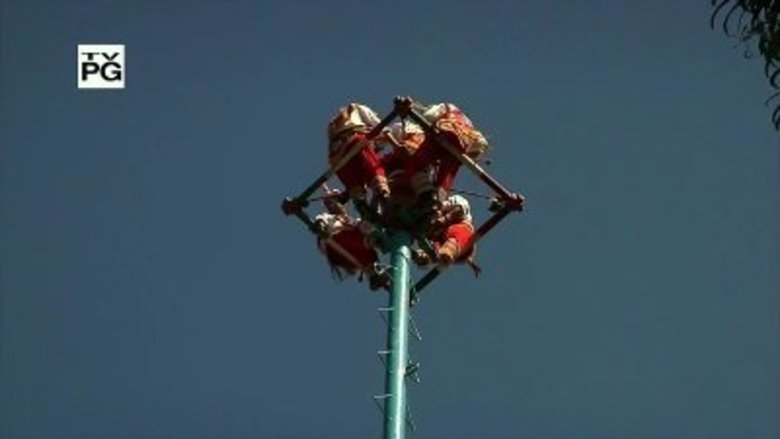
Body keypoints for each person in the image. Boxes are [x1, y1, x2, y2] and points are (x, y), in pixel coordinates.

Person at [403, 103, 489, 212]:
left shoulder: (447, 107)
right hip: (460, 147)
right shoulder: (468, 124)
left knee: (416, 163)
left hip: (445, 136)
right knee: (446, 176)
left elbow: (429, 115)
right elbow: (480, 145)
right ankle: (438, 201)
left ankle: (427, 194)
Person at [312, 189, 389, 289]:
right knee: (363, 226)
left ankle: (373, 274)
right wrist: (320, 226)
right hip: (337, 241)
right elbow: (321, 220)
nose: (337, 205)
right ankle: (375, 240)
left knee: (369, 254)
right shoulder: (329, 217)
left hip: (350, 249)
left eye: (340, 202)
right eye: (333, 203)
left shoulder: (349, 220)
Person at [327, 103, 391, 218]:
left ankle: (365, 205)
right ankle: (379, 197)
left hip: (338, 152)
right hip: (351, 143)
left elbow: (381, 135)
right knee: (372, 168)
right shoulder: (358, 109)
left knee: (356, 180)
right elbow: (382, 129)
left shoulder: (334, 125)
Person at [412, 194, 481, 275]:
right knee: (433, 245)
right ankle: (425, 256)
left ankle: (446, 253)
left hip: (460, 230)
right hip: (444, 240)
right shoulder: (431, 222)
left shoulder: (450, 204)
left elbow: (461, 208)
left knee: (454, 238)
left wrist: (446, 218)